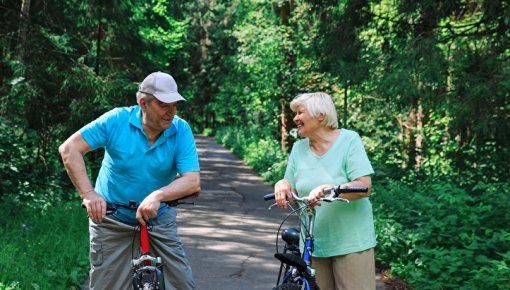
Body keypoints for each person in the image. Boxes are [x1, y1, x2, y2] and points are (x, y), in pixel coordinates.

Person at [59, 71, 200, 289]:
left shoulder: (180, 129)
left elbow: (192, 180)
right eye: (164, 104)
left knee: (183, 284)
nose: (170, 111)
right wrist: (89, 194)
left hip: (158, 219)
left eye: (174, 105)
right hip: (112, 219)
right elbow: (69, 149)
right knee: (106, 285)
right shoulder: (116, 120)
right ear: (143, 103)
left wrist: (158, 195)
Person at [274, 92, 376, 290]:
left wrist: (331, 189)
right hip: (313, 244)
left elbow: (365, 186)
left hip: (350, 242)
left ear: (320, 115)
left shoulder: (349, 140)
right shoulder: (298, 148)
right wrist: (282, 185)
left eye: (300, 113)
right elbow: (291, 188)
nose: (295, 118)